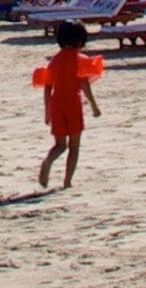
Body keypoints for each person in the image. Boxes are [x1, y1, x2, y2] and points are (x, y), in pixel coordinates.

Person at [32, 22, 102, 191]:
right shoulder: (80, 60)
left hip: (57, 104)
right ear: (80, 40)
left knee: (60, 145)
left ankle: (47, 162)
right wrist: (94, 106)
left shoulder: (54, 61)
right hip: (73, 104)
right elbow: (84, 85)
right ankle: (67, 181)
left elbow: (48, 87)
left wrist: (47, 112)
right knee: (74, 147)